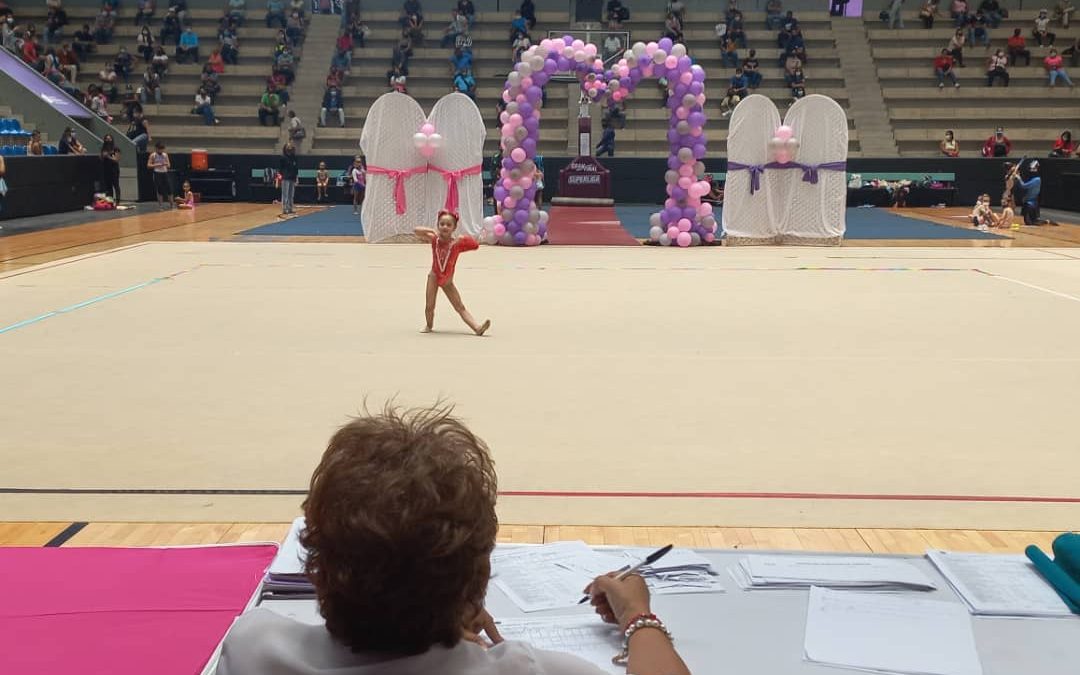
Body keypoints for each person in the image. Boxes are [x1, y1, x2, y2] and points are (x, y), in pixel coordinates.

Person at [215, 403, 688, 673]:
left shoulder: (254, 648)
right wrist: (639, 618)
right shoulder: (529, 670)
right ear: (476, 584)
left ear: (316, 570)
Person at [414, 212, 490, 335]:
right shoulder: (435, 240)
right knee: (429, 306)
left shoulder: (457, 244)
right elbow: (416, 231)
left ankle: (477, 328)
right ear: (438, 225)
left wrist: (463, 239)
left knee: (459, 307)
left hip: (447, 281)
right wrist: (431, 230)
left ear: (454, 228)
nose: (445, 227)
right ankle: (429, 325)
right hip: (433, 277)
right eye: (442, 224)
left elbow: (475, 245)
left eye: (448, 225)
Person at [1017, 161, 1045, 225]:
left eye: (1033, 169)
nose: (1031, 170)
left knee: (1030, 222)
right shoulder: (1034, 178)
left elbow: (1024, 186)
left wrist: (1019, 178)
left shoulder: (1037, 179)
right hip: (1028, 201)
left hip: (1031, 203)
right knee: (1028, 221)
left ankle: (1043, 221)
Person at [147, 142, 172, 209]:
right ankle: (161, 205)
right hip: (157, 173)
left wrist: (165, 164)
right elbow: (148, 165)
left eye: (162, 149)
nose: (161, 151)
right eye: (160, 149)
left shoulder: (165, 155)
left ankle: (171, 204)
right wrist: (157, 165)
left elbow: (169, 165)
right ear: (156, 149)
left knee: (169, 188)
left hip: (164, 172)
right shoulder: (153, 155)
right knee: (159, 189)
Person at [279, 141, 298, 217]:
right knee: (285, 194)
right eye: (288, 146)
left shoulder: (294, 157)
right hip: (285, 177)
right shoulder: (283, 157)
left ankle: (290, 208)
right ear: (285, 148)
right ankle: (284, 208)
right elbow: (281, 169)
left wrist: (296, 177)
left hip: (292, 177)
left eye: (291, 147)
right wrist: (281, 176)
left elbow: (296, 168)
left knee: (291, 194)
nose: (290, 148)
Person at [100, 133, 121, 202]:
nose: (108, 140)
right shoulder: (103, 148)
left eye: (109, 139)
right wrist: (103, 156)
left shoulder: (115, 148)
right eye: (106, 139)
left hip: (114, 169)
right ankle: (110, 200)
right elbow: (102, 157)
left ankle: (118, 200)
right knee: (108, 186)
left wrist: (108, 156)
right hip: (106, 169)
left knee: (116, 185)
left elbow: (116, 159)